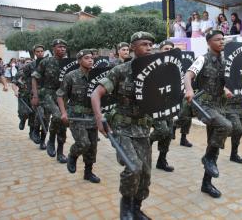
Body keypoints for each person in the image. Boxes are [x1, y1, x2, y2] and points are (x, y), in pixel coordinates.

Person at [91, 31, 155, 219]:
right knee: (133, 167)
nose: (149, 48)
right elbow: (96, 94)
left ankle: (136, 208)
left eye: (151, 44)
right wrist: (98, 118)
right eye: (144, 44)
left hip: (143, 129)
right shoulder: (121, 70)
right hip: (121, 128)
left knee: (145, 174)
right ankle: (125, 205)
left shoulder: (156, 72)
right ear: (133, 48)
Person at [184, 30, 233, 198]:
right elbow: (188, 75)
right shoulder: (202, 59)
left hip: (218, 105)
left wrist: (226, 89)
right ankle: (208, 159)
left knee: (214, 144)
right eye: (218, 39)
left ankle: (207, 183)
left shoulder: (224, 61)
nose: (222, 42)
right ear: (209, 42)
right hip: (204, 104)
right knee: (225, 126)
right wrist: (189, 90)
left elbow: (221, 82)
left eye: (223, 39)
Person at [56, 49, 100, 183]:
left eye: (92, 58)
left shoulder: (97, 76)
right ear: (79, 61)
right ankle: (73, 155)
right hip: (76, 116)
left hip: (92, 116)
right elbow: (60, 95)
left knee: (92, 147)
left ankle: (88, 172)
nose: (90, 60)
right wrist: (63, 113)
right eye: (87, 58)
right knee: (83, 143)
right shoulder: (71, 76)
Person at [31, 39, 68, 164]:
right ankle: (51, 139)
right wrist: (35, 96)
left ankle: (60, 152)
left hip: (63, 95)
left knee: (63, 122)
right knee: (57, 115)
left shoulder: (69, 63)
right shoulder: (46, 62)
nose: (62, 49)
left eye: (64, 47)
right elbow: (34, 78)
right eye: (59, 47)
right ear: (53, 48)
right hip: (48, 93)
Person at [149, 40, 175, 172]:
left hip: (169, 106)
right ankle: (146, 142)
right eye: (166, 48)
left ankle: (161, 160)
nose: (169, 50)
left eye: (171, 48)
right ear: (160, 50)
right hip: (155, 106)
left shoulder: (175, 67)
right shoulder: (153, 66)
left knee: (169, 133)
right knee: (162, 130)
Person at [23, 45, 46, 149]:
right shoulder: (29, 66)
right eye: (38, 51)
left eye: (42, 51)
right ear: (34, 53)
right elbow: (27, 79)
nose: (40, 53)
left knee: (45, 118)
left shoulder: (48, 63)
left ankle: (42, 141)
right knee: (36, 114)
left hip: (46, 94)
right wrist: (30, 92)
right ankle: (33, 131)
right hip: (34, 93)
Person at [12, 58, 36, 138]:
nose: (28, 64)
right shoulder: (20, 73)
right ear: (24, 64)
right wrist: (15, 91)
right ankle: (22, 120)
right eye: (27, 62)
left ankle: (31, 132)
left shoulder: (35, 74)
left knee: (33, 114)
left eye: (30, 63)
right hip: (23, 96)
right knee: (23, 112)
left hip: (33, 97)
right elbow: (14, 83)